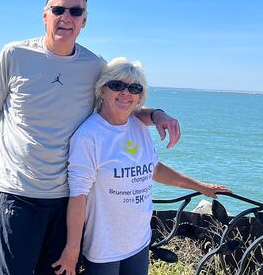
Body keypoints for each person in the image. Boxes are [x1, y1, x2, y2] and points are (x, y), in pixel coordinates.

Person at [0, 0, 182, 275]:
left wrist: (157, 114)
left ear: (84, 21)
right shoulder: (14, 54)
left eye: (76, 11)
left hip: (65, 201)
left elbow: (118, 103)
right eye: (58, 9)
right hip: (15, 194)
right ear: (45, 15)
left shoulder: (95, 65)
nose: (66, 17)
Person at [52, 58, 230, 275]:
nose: (126, 93)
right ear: (102, 90)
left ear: (139, 97)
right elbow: (78, 196)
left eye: (134, 88)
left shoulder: (138, 127)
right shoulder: (89, 136)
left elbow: (154, 169)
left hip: (139, 241)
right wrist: (72, 248)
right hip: (104, 247)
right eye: (117, 85)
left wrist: (199, 186)